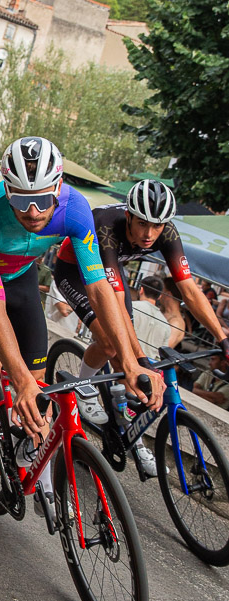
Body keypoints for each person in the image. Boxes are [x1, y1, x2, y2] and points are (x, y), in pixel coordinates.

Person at [0, 137, 163, 514]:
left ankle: (37, 464)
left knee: (39, 387)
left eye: (43, 200)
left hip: (24, 277)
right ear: (6, 191)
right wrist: (21, 381)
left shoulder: (77, 208)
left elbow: (99, 287)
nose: (32, 212)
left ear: (58, 188)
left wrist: (130, 362)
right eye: (21, 201)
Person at [53, 179, 229, 476]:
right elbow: (116, 302)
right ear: (130, 215)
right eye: (142, 224)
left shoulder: (167, 231)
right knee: (111, 343)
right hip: (74, 270)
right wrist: (140, 360)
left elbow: (188, 289)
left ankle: (128, 433)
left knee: (129, 352)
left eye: (156, 226)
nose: (149, 234)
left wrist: (223, 338)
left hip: (112, 271)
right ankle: (84, 384)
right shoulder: (107, 226)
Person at [131, 276, 172, 357]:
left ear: (141, 290)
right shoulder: (166, 324)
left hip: (122, 362)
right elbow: (162, 354)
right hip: (147, 366)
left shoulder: (130, 307)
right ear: (160, 296)